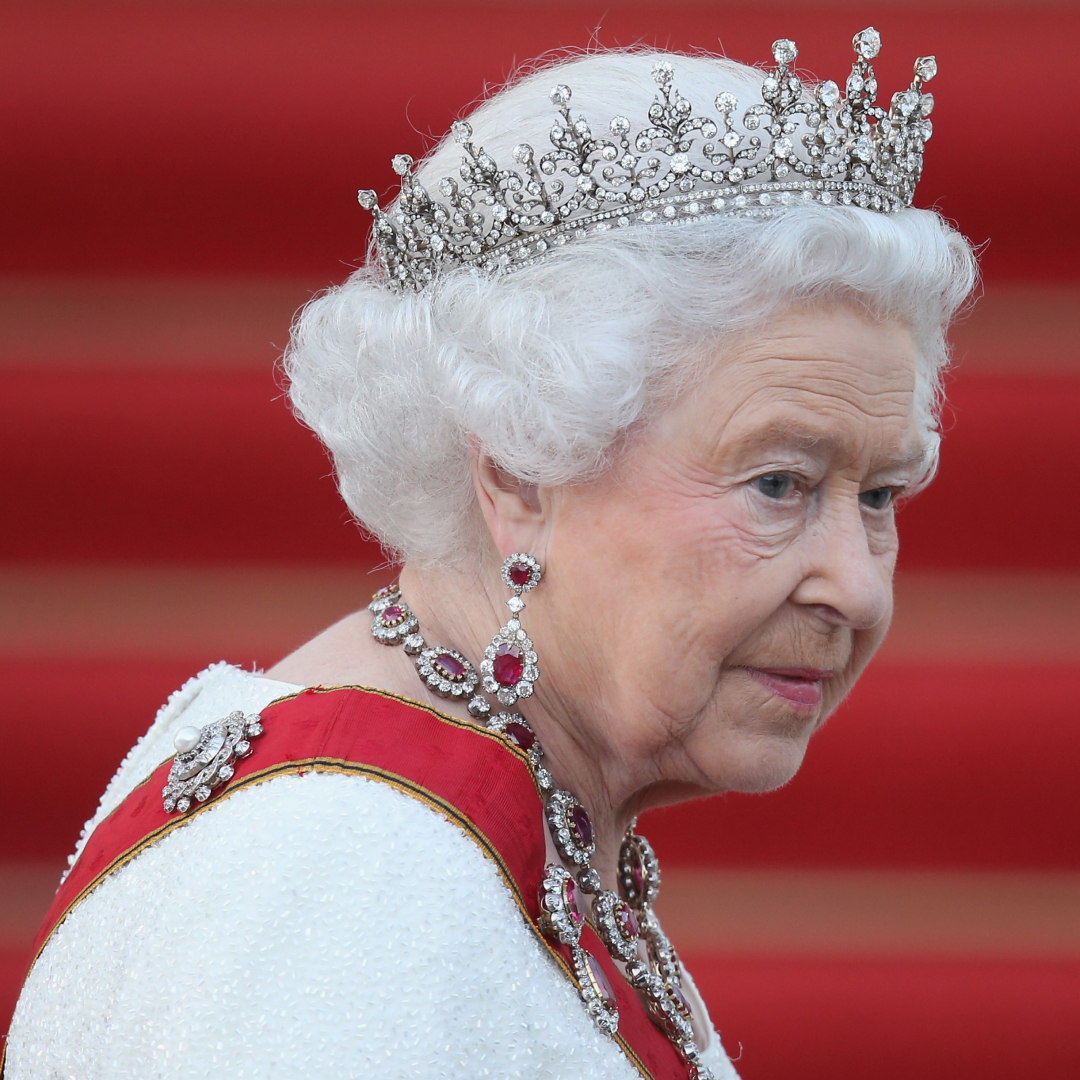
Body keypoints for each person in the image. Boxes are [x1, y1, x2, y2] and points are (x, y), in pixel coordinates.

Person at [4, 30, 976, 1080]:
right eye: (778, 484)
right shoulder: (340, 888)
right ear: (518, 468)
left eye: (880, 495)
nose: (858, 585)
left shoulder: (473, 820)